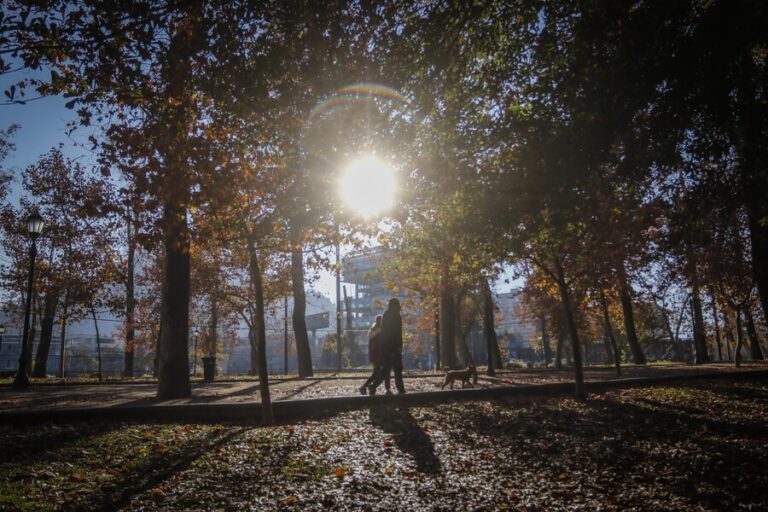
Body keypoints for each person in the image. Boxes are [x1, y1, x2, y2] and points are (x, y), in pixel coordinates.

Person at [369, 298, 405, 395]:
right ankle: (400, 389)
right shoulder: (397, 316)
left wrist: (385, 347)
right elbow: (397, 333)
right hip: (394, 346)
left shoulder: (385, 314)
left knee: (385, 369)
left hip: (385, 347)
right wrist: (399, 347)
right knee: (398, 369)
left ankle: (373, 386)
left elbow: (385, 332)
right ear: (396, 305)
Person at [359, 315, 390, 395]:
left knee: (376, 373)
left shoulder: (372, 331)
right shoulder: (381, 332)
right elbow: (381, 345)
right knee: (386, 372)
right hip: (381, 355)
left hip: (374, 356)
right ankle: (387, 389)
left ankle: (364, 386)